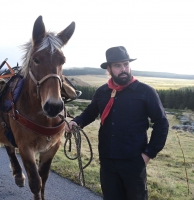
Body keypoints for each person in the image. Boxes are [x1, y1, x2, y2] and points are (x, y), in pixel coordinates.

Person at [65, 46, 169, 200]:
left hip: (134, 161)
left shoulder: (145, 92)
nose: (123, 69)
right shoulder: (102, 92)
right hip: (107, 161)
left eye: (126, 64)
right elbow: (90, 113)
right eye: (117, 66)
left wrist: (148, 154)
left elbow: (162, 123)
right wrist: (75, 122)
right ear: (109, 69)